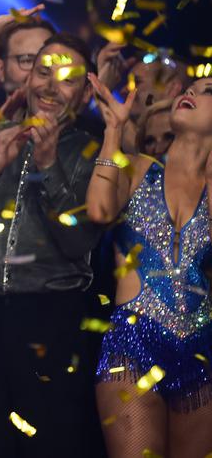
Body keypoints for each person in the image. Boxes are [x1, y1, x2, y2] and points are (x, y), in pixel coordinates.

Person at [0, 33, 104, 457]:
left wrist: (48, 165)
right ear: (27, 79)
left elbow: (77, 242)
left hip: (49, 321)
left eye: (68, 79)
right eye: (43, 72)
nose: (51, 87)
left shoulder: (94, 152)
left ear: (86, 92)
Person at [86, 74, 212, 457]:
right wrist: (113, 129)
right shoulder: (139, 167)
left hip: (203, 350)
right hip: (134, 344)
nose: (191, 92)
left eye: (207, 91)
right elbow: (98, 210)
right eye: (190, 88)